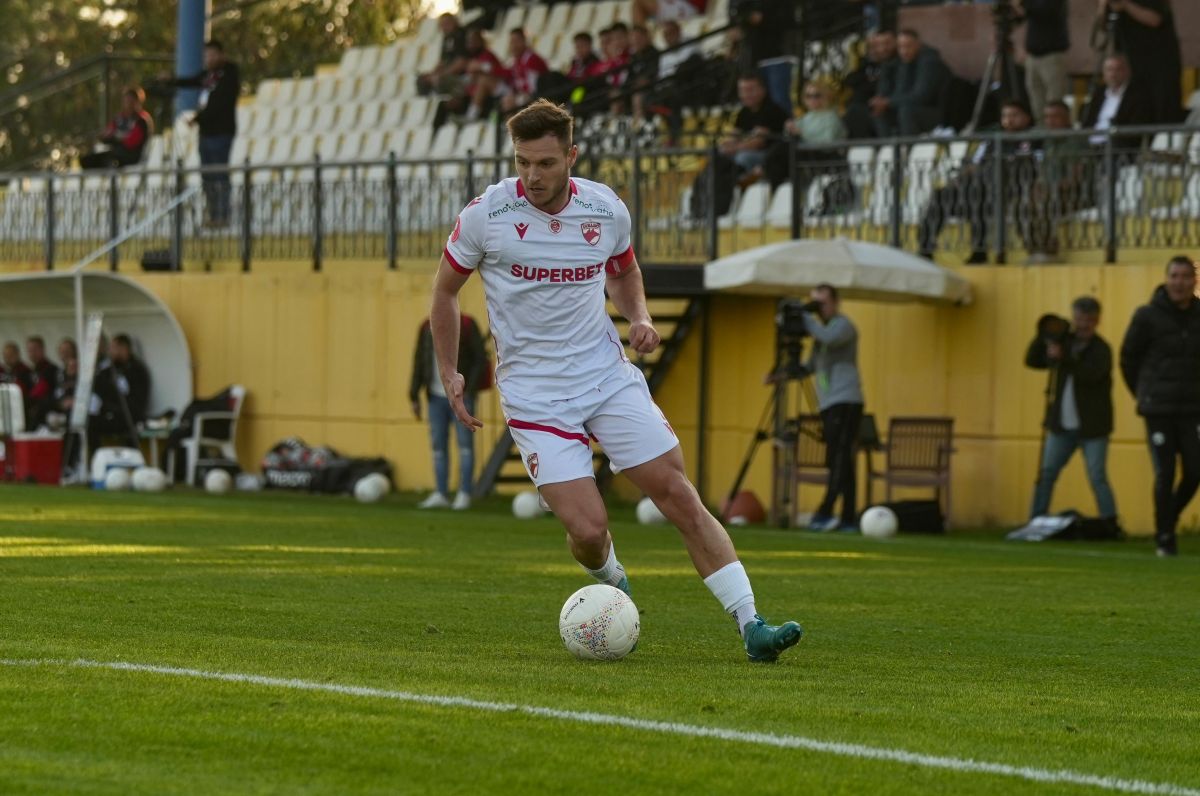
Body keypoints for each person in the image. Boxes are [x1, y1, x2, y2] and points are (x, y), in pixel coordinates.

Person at [431, 98, 802, 662]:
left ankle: (752, 625)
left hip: (606, 376)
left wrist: (641, 318)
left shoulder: (605, 209)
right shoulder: (487, 215)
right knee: (588, 527)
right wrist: (449, 370)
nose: (533, 175)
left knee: (677, 494)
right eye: (523, 162)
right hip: (534, 393)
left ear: (572, 157)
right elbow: (444, 290)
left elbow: (624, 271)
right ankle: (614, 578)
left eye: (547, 163)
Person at [1119, 256, 1200, 558]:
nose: (1179, 282)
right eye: (1174, 276)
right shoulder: (1147, 315)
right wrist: (1143, 393)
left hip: (1193, 407)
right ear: (1166, 279)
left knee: (1194, 470)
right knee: (1165, 473)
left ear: (1194, 281)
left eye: (1185, 276)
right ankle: (1164, 536)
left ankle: (1169, 518)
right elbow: (1128, 358)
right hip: (1158, 409)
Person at [1024, 297, 1119, 528]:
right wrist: (1045, 338)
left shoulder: (1101, 349)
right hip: (1061, 424)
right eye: (1078, 318)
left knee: (1097, 477)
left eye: (1088, 319)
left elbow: (1090, 375)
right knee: (1046, 473)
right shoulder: (1064, 342)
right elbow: (1033, 361)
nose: (1082, 324)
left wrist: (1063, 357)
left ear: (1097, 321)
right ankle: (1036, 519)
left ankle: (1110, 522)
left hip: (1093, 426)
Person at [918, 99, 1038, 264]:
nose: (1009, 120)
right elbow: (975, 164)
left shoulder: (1033, 139)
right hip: (978, 187)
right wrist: (959, 178)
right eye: (1005, 116)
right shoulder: (992, 140)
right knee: (941, 196)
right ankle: (925, 248)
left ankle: (979, 252)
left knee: (979, 198)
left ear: (1027, 118)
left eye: (1015, 115)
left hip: (1005, 191)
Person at [802, 285, 865, 532]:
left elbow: (828, 337)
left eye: (823, 303)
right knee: (842, 462)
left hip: (847, 400)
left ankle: (825, 511)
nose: (819, 309)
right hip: (828, 402)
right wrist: (781, 373)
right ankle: (848, 517)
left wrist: (805, 318)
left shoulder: (842, 326)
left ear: (836, 302)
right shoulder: (821, 334)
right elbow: (810, 366)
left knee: (839, 457)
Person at [410, 314, 488, 510]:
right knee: (438, 447)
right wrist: (413, 394)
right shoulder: (425, 327)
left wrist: (469, 390)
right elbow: (419, 360)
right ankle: (441, 493)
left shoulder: (468, 324)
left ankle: (464, 493)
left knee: (465, 447)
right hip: (435, 397)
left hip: (462, 396)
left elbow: (480, 358)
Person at [165, 40, 241, 227]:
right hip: (205, 133)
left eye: (213, 54)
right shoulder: (208, 75)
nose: (209, 59)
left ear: (222, 54)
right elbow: (191, 81)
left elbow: (220, 103)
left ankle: (223, 215)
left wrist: (197, 118)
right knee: (207, 175)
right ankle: (213, 214)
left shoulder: (230, 73)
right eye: (206, 55)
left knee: (219, 174)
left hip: (221, 132)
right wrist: (171, 80)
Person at [1022, 99, 1090, 263]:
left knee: (1048, 202)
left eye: (1055, 117)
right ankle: (1034, 248)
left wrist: (1052, 188)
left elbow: (1076, 176)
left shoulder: (1078, 140)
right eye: (1047, 117)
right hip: (1049, 191)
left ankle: (1048, 250)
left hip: (1075, 194)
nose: (1050, 121)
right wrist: (1038, 187)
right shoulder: (1047, 140)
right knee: (1021, 205)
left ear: (1067, 118)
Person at [1097, 0, 1183, 124]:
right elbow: (1103, 25)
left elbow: (1155, 19)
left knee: (1162, 109)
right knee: (1136, 108)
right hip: (1129, 63)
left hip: (1158, 63)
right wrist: (1103, 5)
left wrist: (1126, 5)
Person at [870, 29, 949, 137]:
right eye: (900, 47)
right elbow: (900, 90)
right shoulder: (904, 62)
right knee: (879, 113)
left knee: (906, 111)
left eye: (908, 46)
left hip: (937, 113)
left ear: (918, 45)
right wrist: (882, 101)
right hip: (914, 108)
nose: (904, 51)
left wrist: (888, 102)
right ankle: (888, 149)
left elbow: (921, 96)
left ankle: (908, 149)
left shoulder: (929, 61)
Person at [89, 333, 151, 450]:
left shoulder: (137, 370)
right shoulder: (109, 370)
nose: (110, 352)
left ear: (123, 348)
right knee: (87, 422)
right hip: (109, 413)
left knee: (94, 425)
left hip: (129, 416)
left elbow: (135, 401)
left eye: (113, 348)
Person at [1013, 0, 1069, 125]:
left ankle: (1056, 136)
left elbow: (1045, 12)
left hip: (1052, 55)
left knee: (1054, 100)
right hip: (1032, 56)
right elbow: (1019, 19)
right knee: (1036, 99)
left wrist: (1023, 3)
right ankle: (1040, 130)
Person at [1080, 54, 1152, 150]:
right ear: (1104, 73)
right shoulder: (1098, 93)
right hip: (1091, 145)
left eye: (1118, 69)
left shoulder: (1137, 96)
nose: (1113, 74)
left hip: (1118, 147)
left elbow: (1137, 126)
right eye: (1109, 70)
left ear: (1127, 72)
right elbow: (1087, 120)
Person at [80, 87, 154, 170]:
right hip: (117, 153)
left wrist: (116, 138)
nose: (127, 104)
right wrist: (105, 136)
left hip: (131, 156)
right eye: (125, 101)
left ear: (137, 102)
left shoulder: (142, 120)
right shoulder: (120, 118)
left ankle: (113, 182)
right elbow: (109, 131)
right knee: (87, 160)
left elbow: (131, 143)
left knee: (109, 162)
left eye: (130, 101)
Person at [842, 30, 897, 139]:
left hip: (889, 106)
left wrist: (871, 83)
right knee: (853, 110)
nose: (882, 48)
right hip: (866, 106)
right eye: (876, 45)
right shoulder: (867, 64)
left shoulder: (898, 63)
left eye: (886, 43)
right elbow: (850, 80)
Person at [417, 13, 469, 97]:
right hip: (448, 72)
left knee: (440, 80)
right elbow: (442, 61)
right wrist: (433, 73)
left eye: (447, 24)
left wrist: (443, 74)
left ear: (454, 22)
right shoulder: (446, 38)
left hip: (462, 75)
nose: (444, 27)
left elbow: (462, 63)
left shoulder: (462, 35)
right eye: (442, 25)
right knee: (421, 79)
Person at [24, 336, 60, 431]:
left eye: (35, 349)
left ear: (42, 349)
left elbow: (39, 392)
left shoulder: (51, 369)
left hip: (46, 414)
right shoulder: (30, 371)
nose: (32, 353)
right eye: (30, 350)